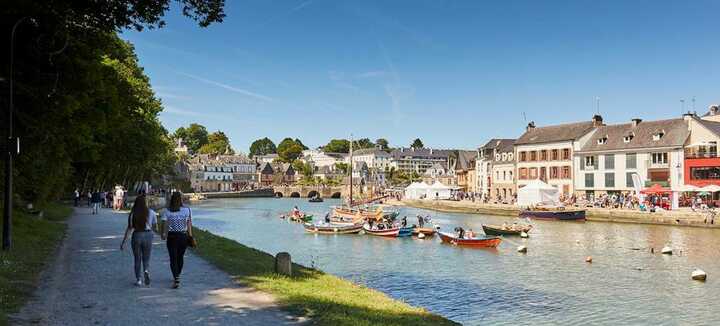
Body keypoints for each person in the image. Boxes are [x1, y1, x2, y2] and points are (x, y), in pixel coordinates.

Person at [120, 195, 157, 287]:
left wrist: (124, 242)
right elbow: (155, 226)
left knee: (137, 258)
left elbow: (129, 229)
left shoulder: (133, 214)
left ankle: (139, 280)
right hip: (148, 235)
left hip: (137, 235)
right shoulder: (151, 212)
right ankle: (146, 271)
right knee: (146, 258)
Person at [161, 192, 193, 289]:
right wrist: (190, 236)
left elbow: (164, 224)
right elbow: (189, 224)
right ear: (181, 200)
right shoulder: (187, 210)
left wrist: (163, 234)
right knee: (180, 257)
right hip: (183, 236)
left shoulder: (167, 211)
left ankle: (176, 277)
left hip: (172, 237)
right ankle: (177, 275)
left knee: (173, 258)